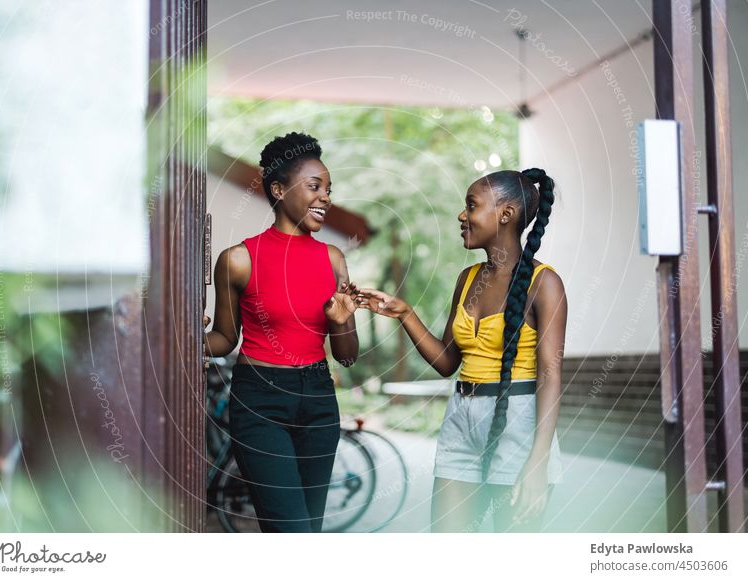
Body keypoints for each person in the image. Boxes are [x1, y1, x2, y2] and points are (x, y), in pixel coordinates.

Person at [357, 169, 566, 532]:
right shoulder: (468, 279)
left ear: (506, 214)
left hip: (519, 421)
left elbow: (550, 375)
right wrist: (404, 313)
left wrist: (538, 461)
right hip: (461, 418)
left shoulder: (544, 282)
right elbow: (447, 362)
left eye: (471, 205)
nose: (461, 215)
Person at [203, 132, 359, 532]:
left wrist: (341, 322)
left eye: (328, 189)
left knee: (309, 526)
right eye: (314, 186)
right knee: (291, 530)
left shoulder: (334, 259)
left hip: (319, 401)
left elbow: (346, 353)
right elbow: (225, 337)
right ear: (278, 188)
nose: (325, 196)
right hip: (261, 401)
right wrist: (192, 341)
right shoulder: (237, 259)